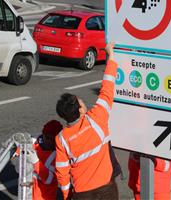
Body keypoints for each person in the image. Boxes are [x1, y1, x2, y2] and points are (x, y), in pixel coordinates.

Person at [55, 42, 119, 200]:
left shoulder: (62, 138)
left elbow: (62, 171)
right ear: (80, 110)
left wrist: (65, 194)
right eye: (81, 102)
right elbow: (107, 88)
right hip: (106, 189)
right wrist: (111, 56)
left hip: (82, 193)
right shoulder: (97, 117)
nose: (84, 103)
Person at [25, 120, 63, 200]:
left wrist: (36, 162)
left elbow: (49, 179)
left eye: (53, 139)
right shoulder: (36, 142)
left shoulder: (59, 155)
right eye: (47, 138)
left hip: (44, 197)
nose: (49, 141)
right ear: (43, 135)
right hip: (29, 194)